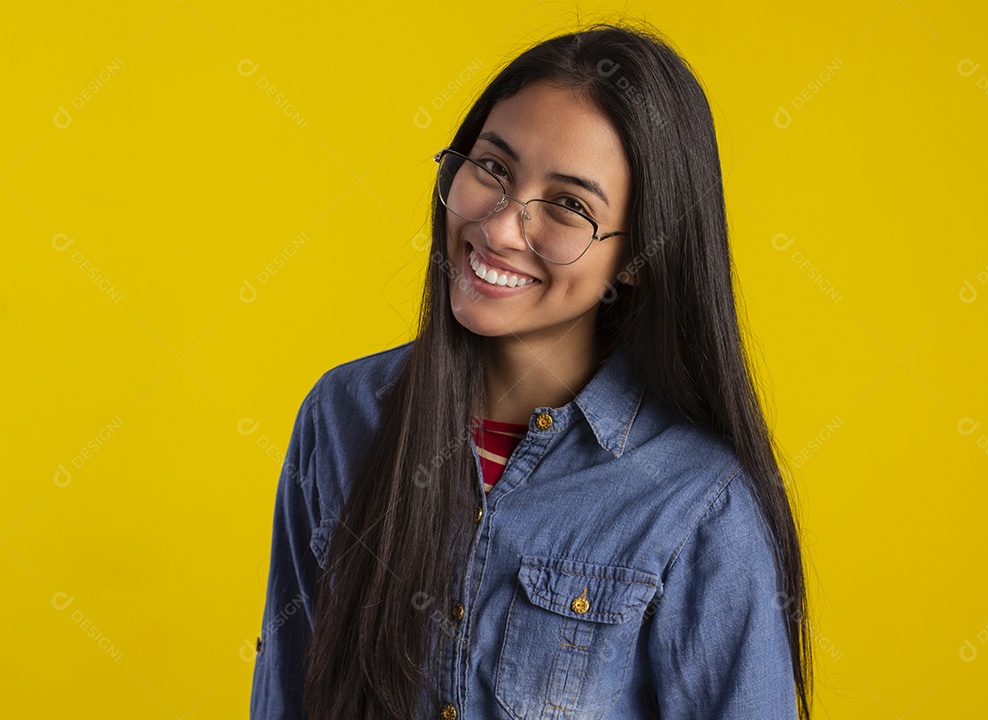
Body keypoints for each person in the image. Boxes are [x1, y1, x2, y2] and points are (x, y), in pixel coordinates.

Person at [250, 21, 813, 720]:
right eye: (492, 168)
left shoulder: (699, 502)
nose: (501, 226)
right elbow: (287, 694)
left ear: (638, 258)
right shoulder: (342, 415)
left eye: (570, 205)